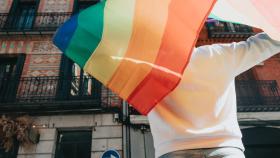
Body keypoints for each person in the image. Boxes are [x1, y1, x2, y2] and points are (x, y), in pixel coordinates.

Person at [147, 33, 280, 158]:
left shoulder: (147, 69)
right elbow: (267, 43)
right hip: (225, 147)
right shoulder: (218, 54)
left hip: (173, 150)